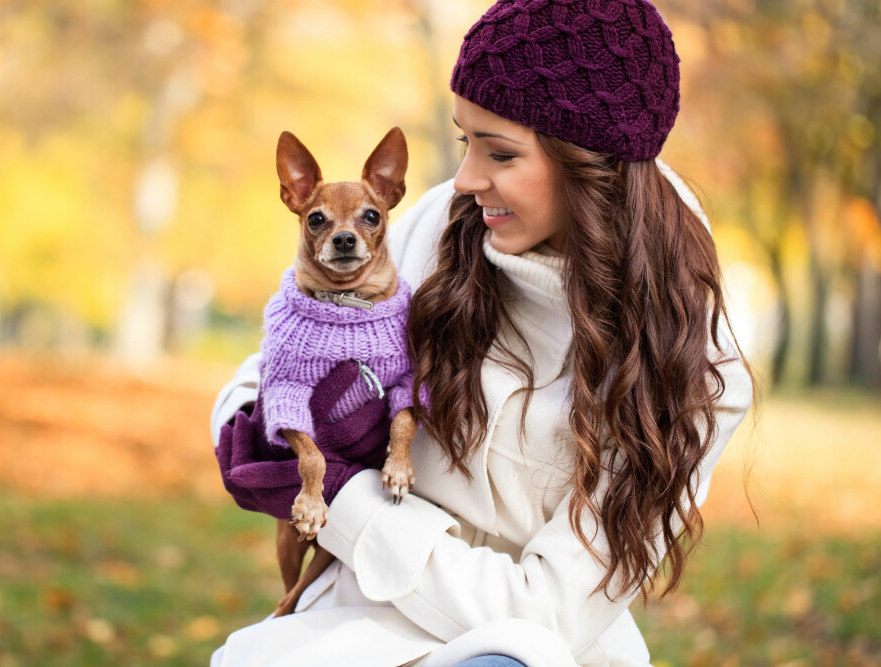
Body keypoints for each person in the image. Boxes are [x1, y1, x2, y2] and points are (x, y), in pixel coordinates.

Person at [210, 0, 754, 664]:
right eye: (466, 140)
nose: (465, 179)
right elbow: (268, 364)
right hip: (352, 630)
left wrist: (349, 500)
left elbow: (541, 612)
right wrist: (259, 427)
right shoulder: (437, 226)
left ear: (595, 166)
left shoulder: (691, 361)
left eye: (499, 151)